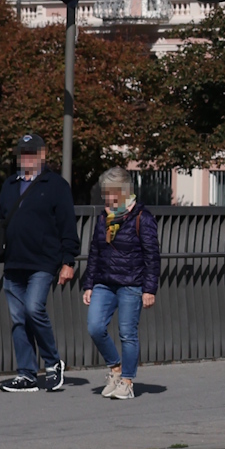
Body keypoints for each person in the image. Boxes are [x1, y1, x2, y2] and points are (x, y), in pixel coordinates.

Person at [0, 134, 76, 392]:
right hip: (13, 262)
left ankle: (53, 363)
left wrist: (68, 261)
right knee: (18, 319)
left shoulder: (55, 185)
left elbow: (68, 225)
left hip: (43, 262)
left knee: (34, 309)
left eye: (32, 153)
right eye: (23, 153)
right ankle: (26, 374)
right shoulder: (10, 184)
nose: (27, 158)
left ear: (42, 155)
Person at [81, 167, 160, 400]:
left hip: (131, 284)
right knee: (95, 327)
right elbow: (95, 252)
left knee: (127, 333)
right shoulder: (104, 218)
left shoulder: (142, 218)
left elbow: (152, 256)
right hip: (104, 282)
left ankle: (127, 381)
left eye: (113, 192)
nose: (108, 198)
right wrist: (89, 284)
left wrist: (149, 289)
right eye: (106, 193)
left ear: (125, 191)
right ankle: (115, 368)